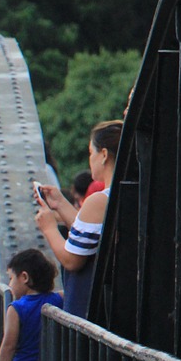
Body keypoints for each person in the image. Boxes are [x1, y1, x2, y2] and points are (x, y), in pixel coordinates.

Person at [34, 120, 123, 318]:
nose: (90, 158)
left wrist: (49, 228)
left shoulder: (99, 200)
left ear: (104, 155)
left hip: (89, 308)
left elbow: (72, 260)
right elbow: (90, 236)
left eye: (91, 152)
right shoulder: (124, 194)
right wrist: (60, 203)